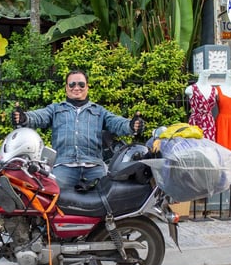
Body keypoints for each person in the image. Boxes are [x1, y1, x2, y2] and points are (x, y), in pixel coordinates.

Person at [11, 69, 144, 189]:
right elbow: (38, 116)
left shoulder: (99, 111)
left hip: (94, 166)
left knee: (109, 197)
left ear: (87, 87)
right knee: (52, 196)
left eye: (81, 84)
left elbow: (117, 123)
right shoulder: (56, 109)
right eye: (72, 84)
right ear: (66, 88)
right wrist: (24, 117)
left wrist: (132, 125)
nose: (77, 88)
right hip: (63, 166)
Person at [185, 69, 217, 141]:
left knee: (209, 145)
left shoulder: (214, 90)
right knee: (195, 144)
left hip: (209, 121)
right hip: (196, 120)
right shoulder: (190, 89)